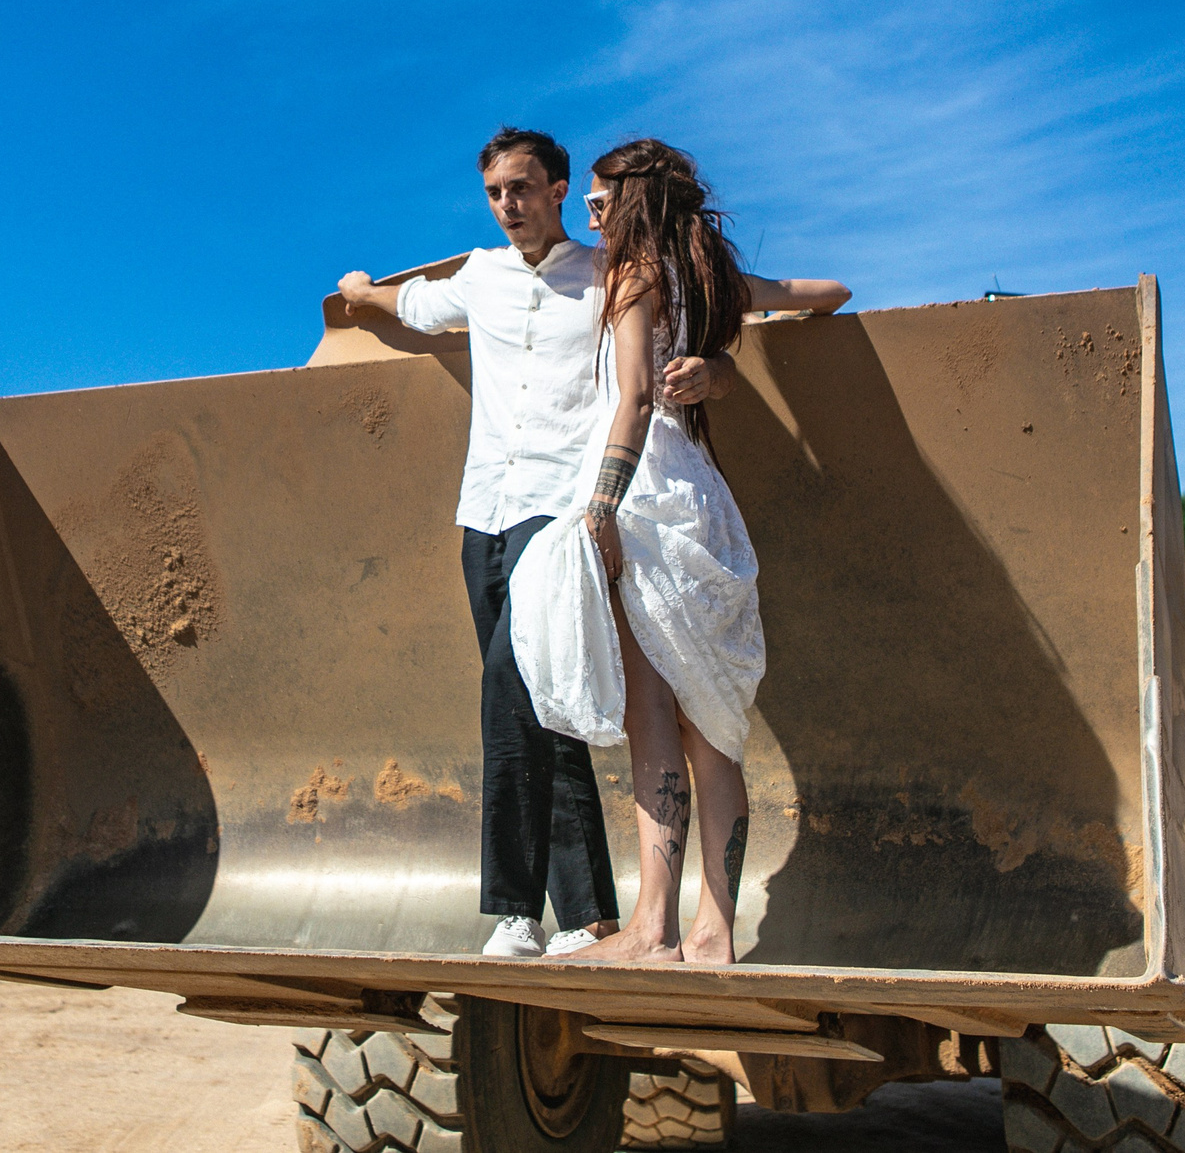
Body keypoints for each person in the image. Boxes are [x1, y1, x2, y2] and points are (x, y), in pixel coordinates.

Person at [337, 128, 731, 959]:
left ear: (558, 191)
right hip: (482, 509)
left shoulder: (606, 273)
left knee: (508, 690)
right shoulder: (477, 276)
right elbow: (406, 308)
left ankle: (513, 909)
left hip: (561, 514)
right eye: (494, 193)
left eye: (521, 188)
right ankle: (589, 916)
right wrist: (360, 289)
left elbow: (692, 329)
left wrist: (709, 371)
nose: (508, 204)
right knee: (543, 707)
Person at [512, 138, 848, 966]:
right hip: (702, 497)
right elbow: (830, 293)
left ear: (631, 203)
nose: (590, 217)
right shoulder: (705, 276)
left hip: (642, 498)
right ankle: (714, 931)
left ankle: (651, 926)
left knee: (651, 717)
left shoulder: (630, 275)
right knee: (714, 723)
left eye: (598, 204)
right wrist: (717, 369)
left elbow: (629, 399)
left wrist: (600, 507)